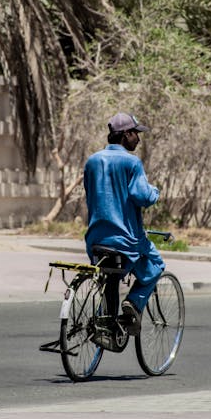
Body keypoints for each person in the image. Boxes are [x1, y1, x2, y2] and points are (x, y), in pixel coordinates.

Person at [83, 111, 165, 334]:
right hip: (126, 241)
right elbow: (142, 196)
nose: (138, 138)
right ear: (126, 134)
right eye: (136, 134)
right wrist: (155, 192)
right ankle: (134, 303)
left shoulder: (92, 161)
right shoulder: (131, 162)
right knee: (156, 266)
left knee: (111, 276)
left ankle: (107, 325)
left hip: (95, 240)